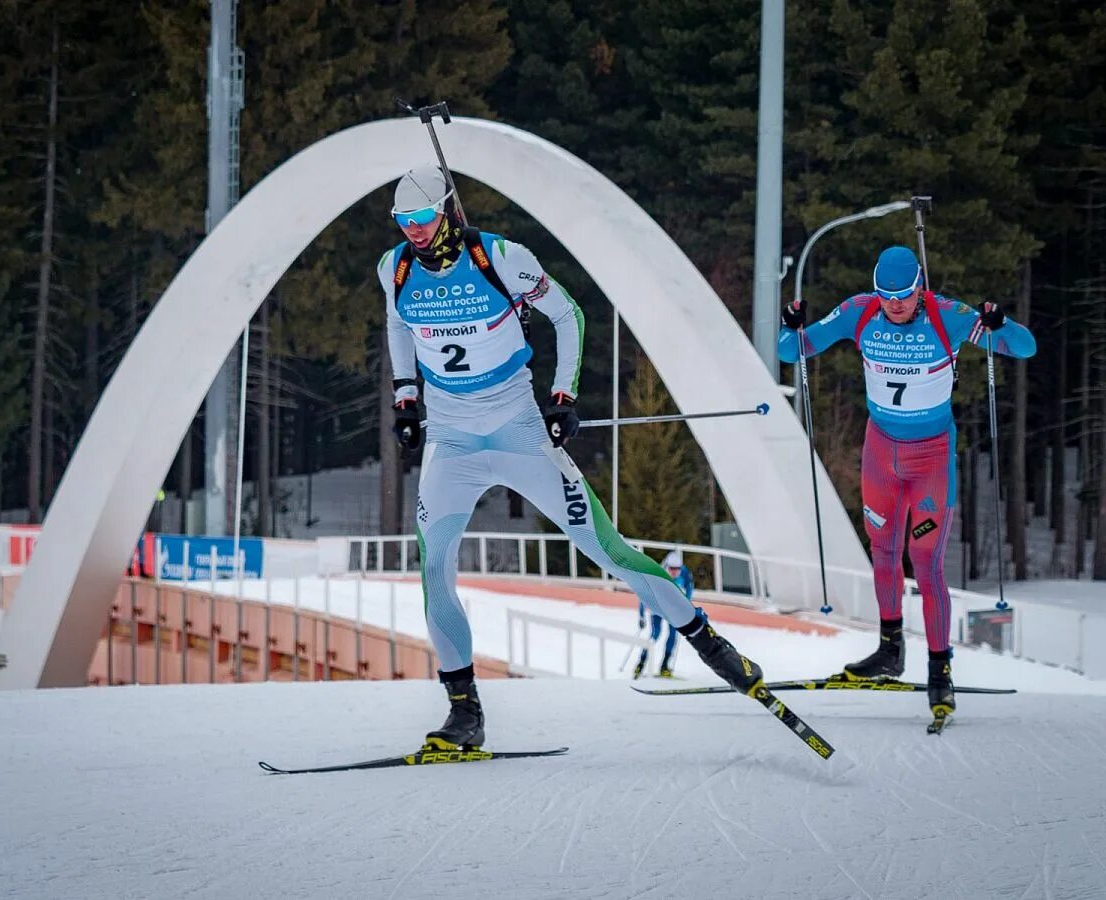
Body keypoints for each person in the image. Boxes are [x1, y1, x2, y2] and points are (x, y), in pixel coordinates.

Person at [381, 165, 765, 749]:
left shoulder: (503, 257)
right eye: (402, 220)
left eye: (422, 217)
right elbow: (398, 324)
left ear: (447, 212)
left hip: (519, 432)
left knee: (606, 550)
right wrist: (405, 397)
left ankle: (709, 643)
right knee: (433, 573)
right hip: (451, 442)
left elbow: (569, 315)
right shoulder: (396, 268)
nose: (411, 229)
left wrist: (563, 397)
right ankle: (464, 712)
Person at [778, 245, 1036, 722]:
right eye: (886, 296)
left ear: (920, 288)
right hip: (881, 455)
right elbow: (789, 352)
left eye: (903, 295)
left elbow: (1024, 348)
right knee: (882, 550)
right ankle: (889, 650)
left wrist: (1002, 325)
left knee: (926, 560)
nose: (894, 305)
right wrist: (790, 325)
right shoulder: (860, 312)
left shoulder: (948, 316)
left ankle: (941, 672)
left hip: (931, 459)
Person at [634, 550, 693, 679]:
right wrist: (641, 616)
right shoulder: (658, 574)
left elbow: (689, 589)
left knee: (673, 635)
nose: (675, 572)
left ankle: (665, 666)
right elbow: (644, 595)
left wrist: (687, 606)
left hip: (672, 608)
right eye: (672, 569)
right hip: (658, 607)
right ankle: (641, 663)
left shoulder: (684, 572)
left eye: (677, 569)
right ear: (667, 566)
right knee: (655, 634)